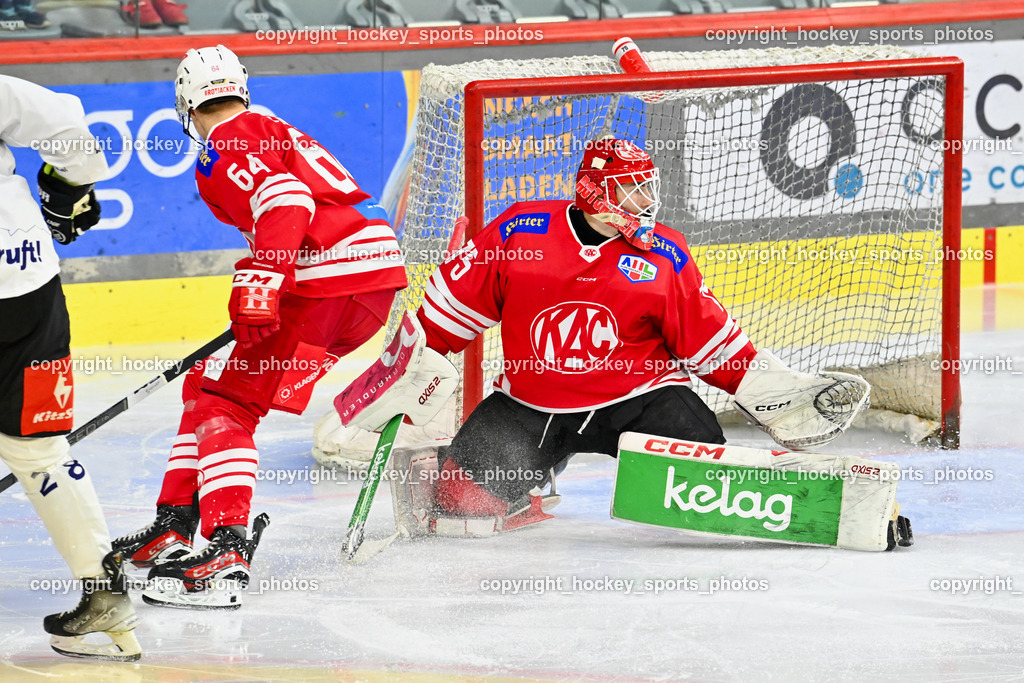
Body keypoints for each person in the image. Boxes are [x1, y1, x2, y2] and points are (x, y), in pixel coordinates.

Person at [411, 137, 864, 532]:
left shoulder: (665, 253)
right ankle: (528, 481)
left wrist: (768, 386)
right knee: (458, 504)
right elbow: (452, 309)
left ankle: (813, 500)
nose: (645, 199)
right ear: (594, 192)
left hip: (640, 399)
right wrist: (410, 365)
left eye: (648, 186)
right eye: (632, 187)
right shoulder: (520, 230)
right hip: (535, 405)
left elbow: (707, 337)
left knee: (716, 487)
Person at [112, 45, 407, 609]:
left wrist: (263, 277)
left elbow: (287, 198)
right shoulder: (271, 127)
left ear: (185, 102)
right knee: (210, 385)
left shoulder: (228, 139)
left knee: (228, 407)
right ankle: (174, 525)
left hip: (324, 283)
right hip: (366, 292)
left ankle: (225, 548)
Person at [0, 75, 140, 661]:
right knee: (40, 451)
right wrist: (68, 184)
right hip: (26, 278)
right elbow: (62, 122)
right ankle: (106, 596)